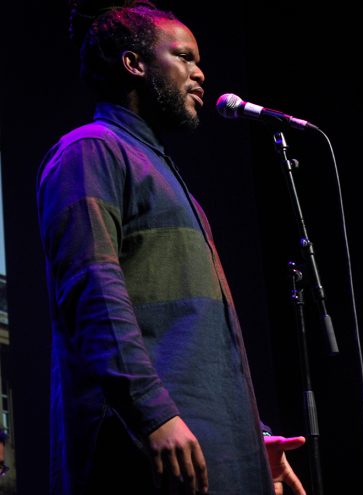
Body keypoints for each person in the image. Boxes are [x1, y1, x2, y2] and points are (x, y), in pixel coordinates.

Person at [37, 2, 304, 493]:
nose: (200, 74)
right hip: (147, 451)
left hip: (212, 448)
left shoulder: (164, 175)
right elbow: (92, 293)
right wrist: (154, 413)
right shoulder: (90, 151)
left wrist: (253, 438)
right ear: (134, 64)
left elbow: (202, 341)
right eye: (184, 57)